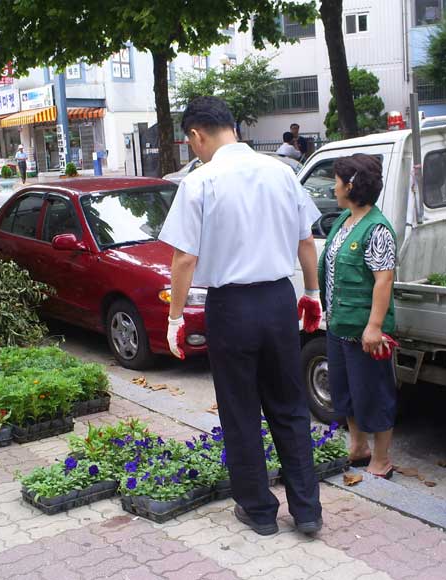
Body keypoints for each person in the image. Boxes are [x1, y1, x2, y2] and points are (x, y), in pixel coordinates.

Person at [160, 96, 324, 536]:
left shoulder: (200, 182)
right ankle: (307, 510)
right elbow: (306, 242)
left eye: (190, 141)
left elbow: (182, 261)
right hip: (276, 300)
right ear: (232, 126)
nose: (193, 149)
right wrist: (311, 293)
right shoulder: (282, 172)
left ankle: (259, 511)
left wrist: (176, 319)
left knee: (241, 411)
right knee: (290, 407)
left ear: (197, 134)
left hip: (230, 307)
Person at [319, 154, 398, 479]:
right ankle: (358, 446)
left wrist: (375, 327)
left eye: (336, 181)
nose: (333, 187)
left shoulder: (376, 228)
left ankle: (381, 459)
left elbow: (384, 278)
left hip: (366, 331)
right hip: (339, 325)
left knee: (374, 394)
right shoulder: (345, 220)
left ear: (350, 185)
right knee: (346, 391)